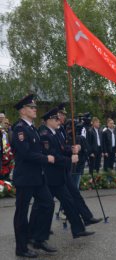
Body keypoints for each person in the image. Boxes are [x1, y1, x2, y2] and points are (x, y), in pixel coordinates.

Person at [11, 94, 56, 258]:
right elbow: (26, 153)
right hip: (25, 178)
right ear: (23, 110)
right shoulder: (19, 129)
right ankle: (21, 248)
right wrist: (46, 158)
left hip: (37, 177)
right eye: (32, 107)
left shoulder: (32, 128)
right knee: (21, 213)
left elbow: (40, 149)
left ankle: (38, 238)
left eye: (35, 107)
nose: (35, 109)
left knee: (48, 204)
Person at [39, 108, 94, 238]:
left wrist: (72, 149)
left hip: (59, 174)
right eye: (56, 119)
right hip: (51, 175)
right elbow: (52, 155)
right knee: (42, 206)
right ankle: (37, 233)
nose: (59, 121)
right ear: (49, 121)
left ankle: (78, 229)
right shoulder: (45, 134)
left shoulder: (56, 132)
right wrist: (70, 160)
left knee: (68, 202)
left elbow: (62, 148)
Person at [56, 105, 102, 226]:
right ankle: (64, 211)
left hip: (78, 164)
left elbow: (87, 148)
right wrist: (73, 148)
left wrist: (81, 147)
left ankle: (84, 219)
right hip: (67, 166)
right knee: (70, 192)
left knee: (74, 192)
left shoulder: (81, 136)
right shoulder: (63, 133)